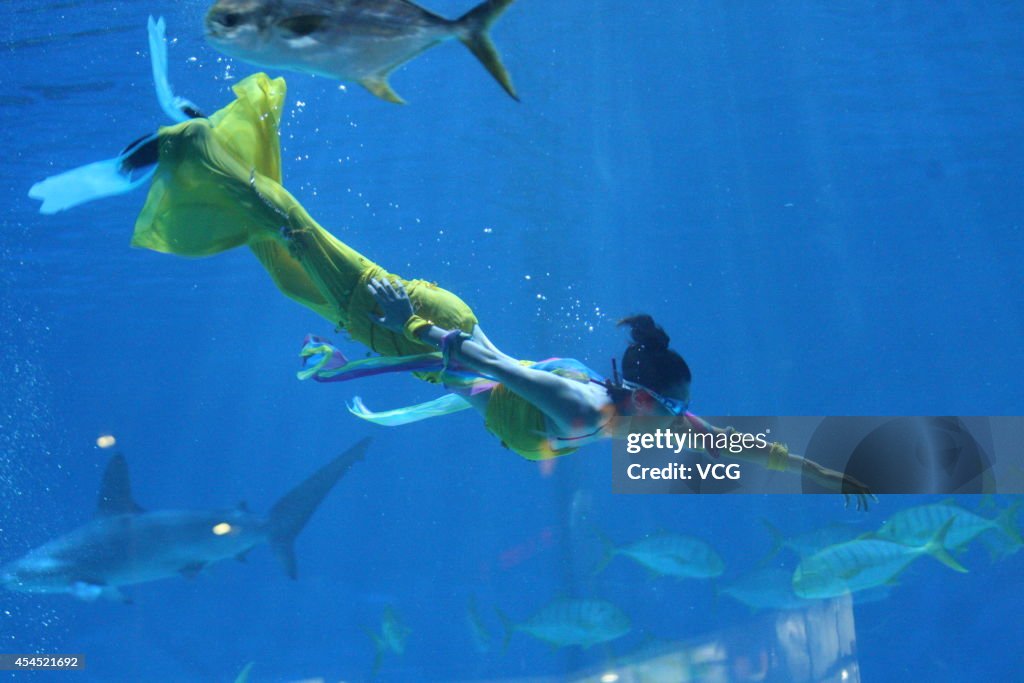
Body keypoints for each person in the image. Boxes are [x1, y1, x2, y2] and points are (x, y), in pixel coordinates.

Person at [31, 60, 873, 508]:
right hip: (412, 322)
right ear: (640, 397)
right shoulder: (588, 412)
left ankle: (209, 145)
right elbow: (495, 372)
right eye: (667, 416)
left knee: (284, 268)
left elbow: (728, 439)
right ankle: (184, 146)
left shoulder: (632, 409)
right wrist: (423, 336)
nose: (671, 429)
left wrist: (825, 472)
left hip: (428, 336)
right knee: (294, 230)